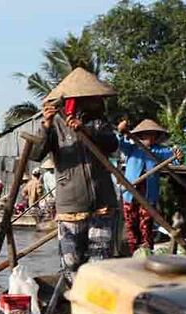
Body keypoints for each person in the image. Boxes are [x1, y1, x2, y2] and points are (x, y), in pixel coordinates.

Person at [30, 67, 119, 283]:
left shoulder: (99, 123)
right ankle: (74, 304)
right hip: (70, 204)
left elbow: (112, 144)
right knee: (71, 261)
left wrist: (86, 130)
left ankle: (94, 305)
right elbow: (36, 154)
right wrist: (46, 125)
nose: (95, 102)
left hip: (102, 203)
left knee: (100, 262)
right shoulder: (54, 126)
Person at [117, 119, 182, 253]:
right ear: (141, 136)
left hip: (148, 195)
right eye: (147, 135)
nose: (150, 138)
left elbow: (175, 158)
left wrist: (179, 155)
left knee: (146, 225)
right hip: (131, 193)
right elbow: (119, 144)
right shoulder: (132, 149)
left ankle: (147, 252)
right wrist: (121, 131)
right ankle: (133, 252)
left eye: (153, 135)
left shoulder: (159, 151)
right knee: (131, 224)